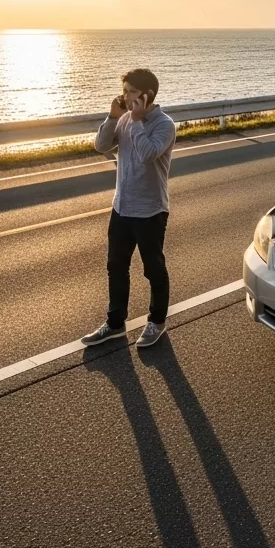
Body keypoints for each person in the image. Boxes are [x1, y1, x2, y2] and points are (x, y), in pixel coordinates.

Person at [81, 68, 178, 348]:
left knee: (153, 269)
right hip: (122, 207)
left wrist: (136, 121)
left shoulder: (164, 124)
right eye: (123, 91)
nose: (124, 97)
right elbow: (101, 146)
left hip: (150, 210)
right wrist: (113, 117)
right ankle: (114, 324)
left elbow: (148, 154)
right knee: (116, 267)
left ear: (147, 95)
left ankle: (157, 321)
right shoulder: (123, 118)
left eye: (130, 92)